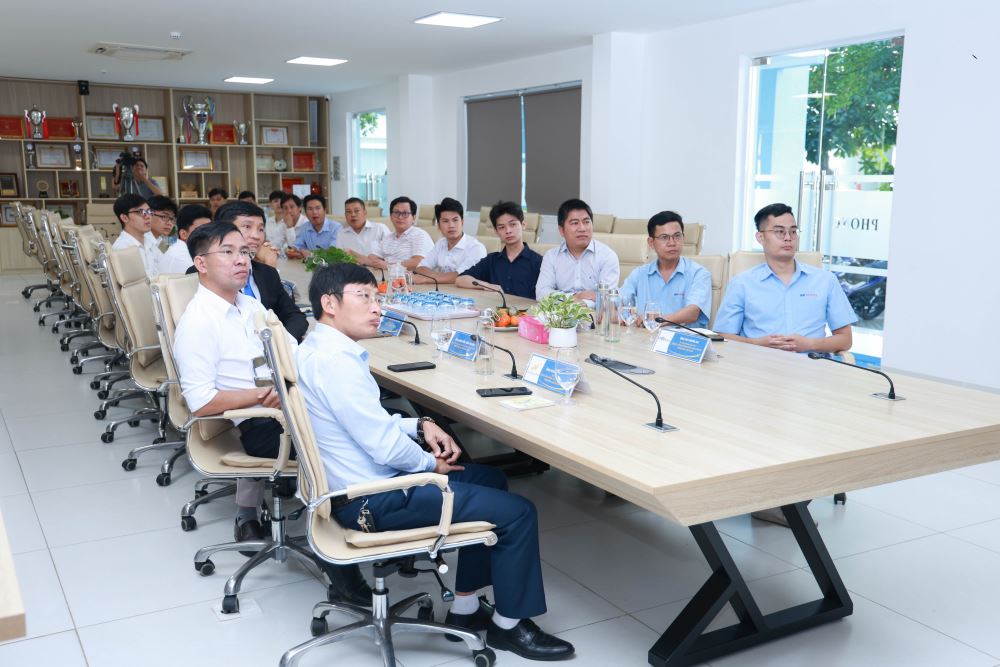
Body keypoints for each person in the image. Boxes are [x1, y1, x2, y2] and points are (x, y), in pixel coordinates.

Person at [296, 263, 575, 661]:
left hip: (356, 485)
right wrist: (430, 466)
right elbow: (384, 448)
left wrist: (420, 424)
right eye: (364, 297)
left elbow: (366, 423)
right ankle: (510, 626)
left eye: (376, 297)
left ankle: (465, 608)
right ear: (329, 303)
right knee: (519, 513)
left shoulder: (320, 348)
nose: (377, 307)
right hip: (372, 499)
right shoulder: (335, 362)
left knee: (490, 479)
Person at [173, 221, 370, 606]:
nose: (241, 260)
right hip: (259, 423)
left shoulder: (248, 305)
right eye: (227, 252)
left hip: (286, 405)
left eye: (244, 252)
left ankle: (384, 532)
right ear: (201, 264)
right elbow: (201, 402)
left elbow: (289, 354)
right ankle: (342, 569)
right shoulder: (198, 322)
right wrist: (263, 396)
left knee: (374, 418)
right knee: (340, 447)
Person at [714, 203, 856, 353]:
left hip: (810, 363)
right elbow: (723, 336)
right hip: (758, 363)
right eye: (779, 232)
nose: (788, 238)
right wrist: (756, 343)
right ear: (760, 237)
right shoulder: (742, 283)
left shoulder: (825, 280)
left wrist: (810, 344)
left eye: (793, 232)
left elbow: (845, 340)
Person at [209, 200, 308, 342]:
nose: (256, 236)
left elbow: (295, 317)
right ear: (222, 231)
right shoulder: (206, 273)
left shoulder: (267, 273)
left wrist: (277, 344)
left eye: (261, 229)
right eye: (247, 227)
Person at [619, 211, 712, 328]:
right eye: (664, 237)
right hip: (645, 338)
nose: (672, 243)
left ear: (683, 238)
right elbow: (618, 303)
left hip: (683, 338)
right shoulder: (639, 274)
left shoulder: (699, 273)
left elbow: (693, 312)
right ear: (651, 243)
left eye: (677, 236)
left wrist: (658, 320)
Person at [535, 198, 619, 306]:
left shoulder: (607, 256)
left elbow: (606, 298)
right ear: (561, 230)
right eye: (575, 223)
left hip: (594, 315)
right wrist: (574, 297)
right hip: (560, 314)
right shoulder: (551, 256)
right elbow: (541, 293)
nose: (582, 228)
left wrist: (577, 302)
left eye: (586, 222)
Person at [457, 201, 543, 299]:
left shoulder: (538, 262)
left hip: (526, 309)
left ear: (523, 225)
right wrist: (487, 286)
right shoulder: (491, 260)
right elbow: (460, 279)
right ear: (496, 231)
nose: (508, 231)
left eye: (513, 224)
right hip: (495, 308)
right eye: (502, 227)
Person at [413, 197, 486, 285]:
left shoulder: (476, 248)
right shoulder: (440, 243)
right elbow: (420, 268)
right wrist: (442, 277)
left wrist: (427, 279)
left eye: (455, 220)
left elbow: (461, 276)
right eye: (445, 221)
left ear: (462, 222)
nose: (451, 225)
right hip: (441, 290)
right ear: (438, 226)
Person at [367, 196, 433, 271]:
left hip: (410, 277)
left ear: (414, 218)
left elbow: (418, 262)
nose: (400, 217)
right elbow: (372, 257)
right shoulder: (388, 237)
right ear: (391, 217)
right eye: (396, 213)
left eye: (405, 213)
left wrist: (389, 266)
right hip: (386, 276)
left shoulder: (420, 235)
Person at [110, 193, 160, 278]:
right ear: (124, 218)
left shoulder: (148, 240)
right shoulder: (122, 249)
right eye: (140, 212)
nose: (148, 216)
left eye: (149, 211)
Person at [157, 204, 211, 275]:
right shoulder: (180, 254)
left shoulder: (175, 244)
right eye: (201, 230)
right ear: (183, 234)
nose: (208, 235)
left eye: (210, 229)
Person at [335, 197, 390, 266]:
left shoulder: (380, 228)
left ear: (365, 212)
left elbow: (392, 254)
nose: (353, 215)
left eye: (357, 211)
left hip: (377, 270)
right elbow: (339, 260)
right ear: (345, 215)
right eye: (348, 212)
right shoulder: (341, 234)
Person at [287, 194, 341, 259]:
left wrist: (310, 254)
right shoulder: (304, 227)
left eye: (318, 208)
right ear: (305, 213)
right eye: (310, 209)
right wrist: (292, 251)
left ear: (325, 210)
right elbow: (297, 246)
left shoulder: (336, 228)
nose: (314, 212)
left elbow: (333, 253)